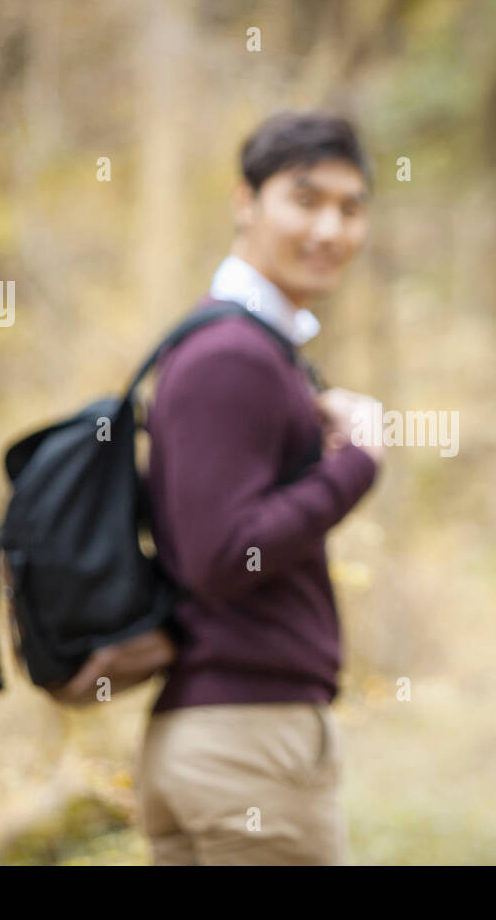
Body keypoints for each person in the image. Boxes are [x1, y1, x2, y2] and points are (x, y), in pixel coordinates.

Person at [136, 110, 384, 865]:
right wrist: (356, 463)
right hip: (250, 747)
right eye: (305, 200)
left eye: (349, 207)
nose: (330, 229)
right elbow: (222, 553)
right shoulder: (232, 354)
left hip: (215, 736)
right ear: (245, 202)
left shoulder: (246, 346)